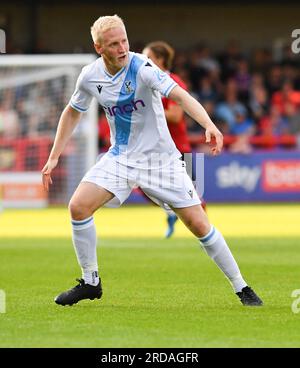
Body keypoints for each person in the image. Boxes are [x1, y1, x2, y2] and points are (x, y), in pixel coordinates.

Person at [42, 15, 263, 307]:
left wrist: (209, 124)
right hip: (120, 158)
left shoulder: (143, 68)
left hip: (161, 161)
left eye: (124, 40)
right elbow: (72, 111)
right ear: (99, 47)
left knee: (199, 224)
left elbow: (181, 96)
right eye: (114, 44)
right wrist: (55, 154)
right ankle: (91, 282)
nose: (122, 48)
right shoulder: (90, 76)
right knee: (78, 207)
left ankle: (242, 287)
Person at [143, 41, 206, 238]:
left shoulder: (173, 82)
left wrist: (146, 106)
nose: (143, 61)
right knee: (141, 187)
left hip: (178, 148)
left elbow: (176, 115)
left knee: (193, 196)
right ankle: (171, 211)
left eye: (148, 57)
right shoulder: (144, 82)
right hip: (152, 148)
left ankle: (208, 232)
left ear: (160, 60)